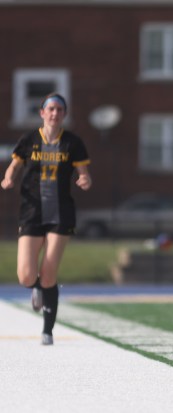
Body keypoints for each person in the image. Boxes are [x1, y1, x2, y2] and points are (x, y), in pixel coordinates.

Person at [1, 93, 92, 345]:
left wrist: (84, 179)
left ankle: (47, 331)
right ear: (42, 113)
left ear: (64, 114)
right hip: (32, 212)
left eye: (59, 110)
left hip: (61, 213)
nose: (54, 113)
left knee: (49, 273)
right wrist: (8, 178)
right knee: (26, 277)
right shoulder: (29, 140)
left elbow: (84, 173)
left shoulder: (72, 143)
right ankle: (36, 288)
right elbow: (14, 165)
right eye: (50, 109)